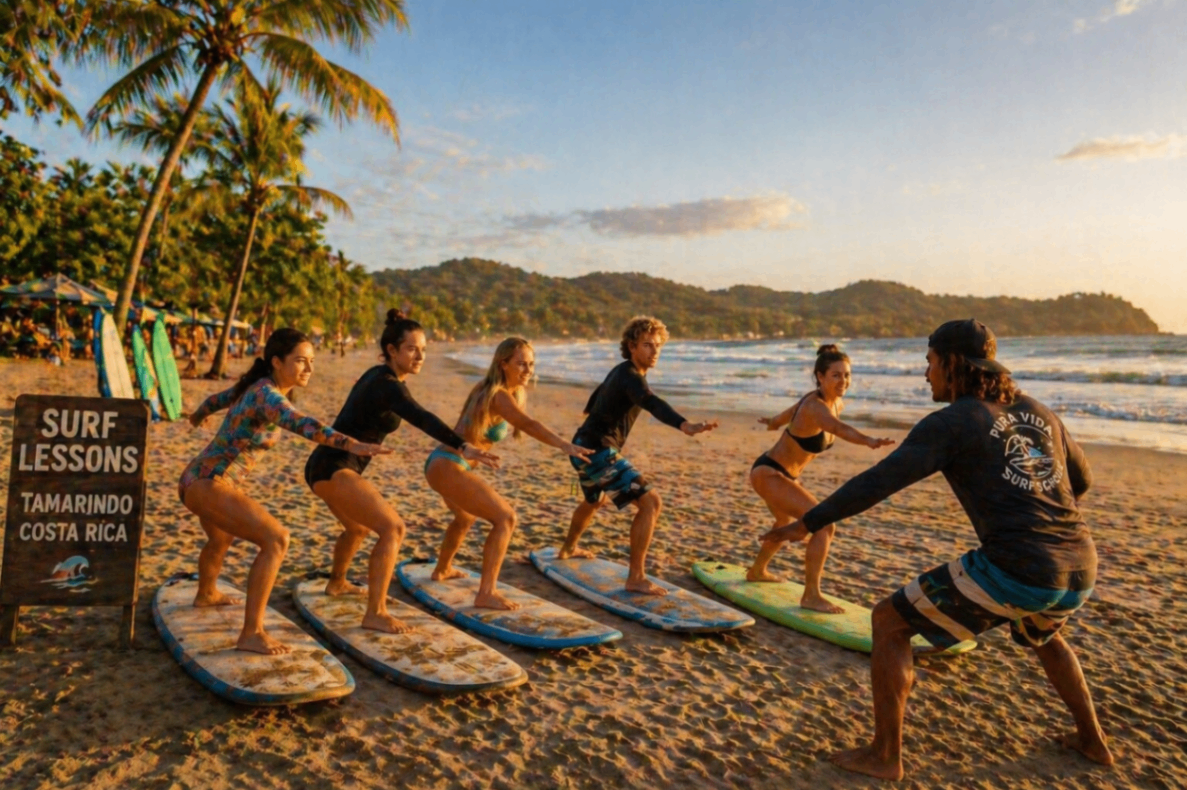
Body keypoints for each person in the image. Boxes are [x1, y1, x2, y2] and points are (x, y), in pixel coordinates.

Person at [762, 319, 1112, 780]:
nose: (925, 374)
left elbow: (878, 481)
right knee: (1044, 634)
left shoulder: (953, 421)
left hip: (1018, 567)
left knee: (888, 621)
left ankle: (885, 755)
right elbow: (1080, 482)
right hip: (1080, 568)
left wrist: (807, 523)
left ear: (953, 363)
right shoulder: (1039, 411)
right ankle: (1093, 742)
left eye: (929, 362)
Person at [179, 328, 389, 655]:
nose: (308, 368)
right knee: (275, 539)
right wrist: (351, 444)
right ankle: (252, 633)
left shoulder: (256, 386)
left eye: (311, 361)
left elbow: (216, 400)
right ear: (276, 362)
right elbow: (302, 424)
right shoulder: (268, 395)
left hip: (201, 478)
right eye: (300, 361)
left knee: (221, 538)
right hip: (209, 480)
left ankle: (206, 593)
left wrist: (197, 416)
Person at [305, 310, 500, 632]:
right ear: (392, 350)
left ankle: (337, 582)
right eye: (412, 348)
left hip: (326, 465)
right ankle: (375, 613)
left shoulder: (378, 375)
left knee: (357, 528)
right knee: (392, 528)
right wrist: (462, 446)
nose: (420, 355)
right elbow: (421, 416)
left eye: (423, 348)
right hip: (334, 466)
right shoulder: (388, 385)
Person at [425, 336, 595, 610]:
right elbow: (528, 423)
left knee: (464, 518)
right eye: (521, 364)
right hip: (449, 465)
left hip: (443, 463)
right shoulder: (499, 395)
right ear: (503, 364)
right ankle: (486, 593)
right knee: (505, 518)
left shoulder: (490, 388)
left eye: (531, 364)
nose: (528, 370)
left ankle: (442, 569)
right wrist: (564, 445)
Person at [559, 316, 718, 595]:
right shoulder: (631, 376)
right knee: (651, 503)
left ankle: (568, 548)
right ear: (632, 346)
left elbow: (594, 402)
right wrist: (684, 425)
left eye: (658, 346)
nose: (654, 351)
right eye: (647, 345)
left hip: (581, 446)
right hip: (597, 452)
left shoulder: (620, 372)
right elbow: (650, 401)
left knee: (593, 501)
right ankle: (636, 577)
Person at [747, 344, 895, 611]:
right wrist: (868, 440)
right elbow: (836, 427)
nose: (843, 381)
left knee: (783, 520)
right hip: (769, 474)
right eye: (836, 375)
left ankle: (757, 571)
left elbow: (784, 416)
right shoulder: (815, 406)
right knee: (824, 525)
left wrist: (773, 422)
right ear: (820, 377)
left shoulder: (834, 402)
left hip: (783, 476)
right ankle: (811, 595)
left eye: (847, 375)